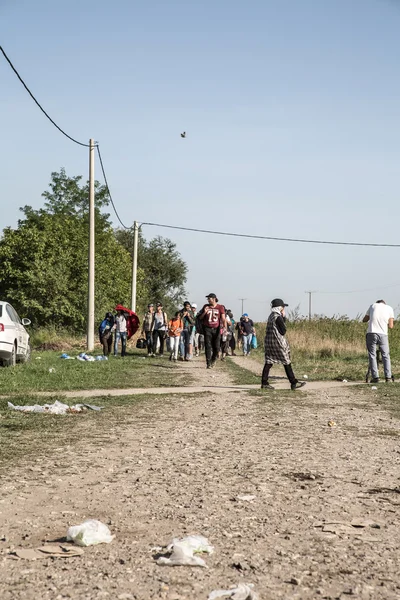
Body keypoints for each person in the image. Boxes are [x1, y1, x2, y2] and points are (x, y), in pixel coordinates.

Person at [261, 298, 306, 391]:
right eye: (283, 307)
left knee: (269, 362)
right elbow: (283, 331)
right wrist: (284, 317)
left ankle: (264, 382)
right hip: (278, 343)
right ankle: (293, 382)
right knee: (286, 361)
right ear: (279, 308)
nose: (283, 308)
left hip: (269, 342)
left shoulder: (271, 316)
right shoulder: (278, 316)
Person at [362, 299, 394, 383]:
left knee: (372, 355)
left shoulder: (372, 306)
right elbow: (391, 326)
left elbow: (365, 319)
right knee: (385, 355)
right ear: (384, 304)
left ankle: (375, 377)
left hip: (371, 333)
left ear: (377, 303)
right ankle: (388, 377)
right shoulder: (389, 308)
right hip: (383, 334)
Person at [199, 293, 227, 369]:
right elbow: (200, 318)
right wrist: (204, 312)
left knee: (217, 347)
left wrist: (225, 328)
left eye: (209, 298)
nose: (208, 300)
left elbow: (223, 319)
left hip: (217, 329)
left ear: (214, 299)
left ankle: (213, 359)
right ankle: (208, 362)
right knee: (208, 345)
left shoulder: (220, 307)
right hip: (207, 328)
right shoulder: (205, 306)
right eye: (207, 299)